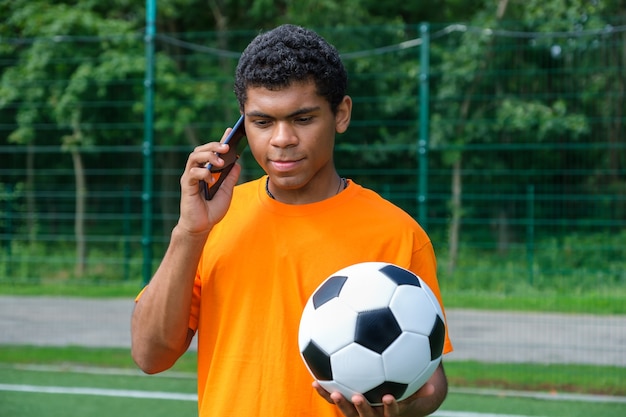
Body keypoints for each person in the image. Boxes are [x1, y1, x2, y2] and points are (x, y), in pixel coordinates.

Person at [131, 24, 453, 417]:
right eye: (262, 122)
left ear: (341, 114)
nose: (282, 139)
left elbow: (431, 379)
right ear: (241, 127)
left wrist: (403, 410)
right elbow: (150, 355)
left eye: (302, 119)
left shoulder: (397, 233)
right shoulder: (214, 220)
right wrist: (189, 231)